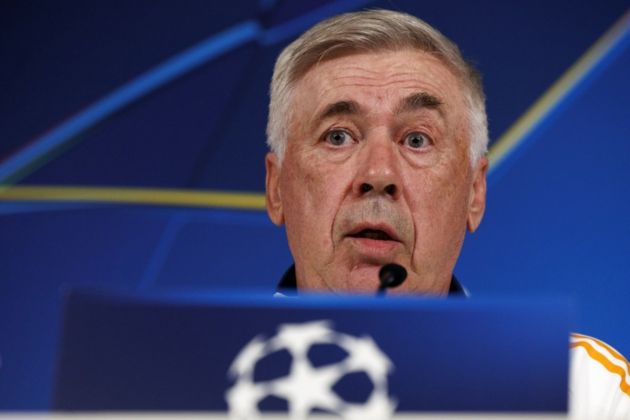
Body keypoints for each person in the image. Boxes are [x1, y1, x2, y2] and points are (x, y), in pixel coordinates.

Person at [262, 9, 629, 418]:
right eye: (338, 137)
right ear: (277, 188)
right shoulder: (187, 378)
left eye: (417, 139)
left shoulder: (582, 392)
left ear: (475, 192)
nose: (379, 174)